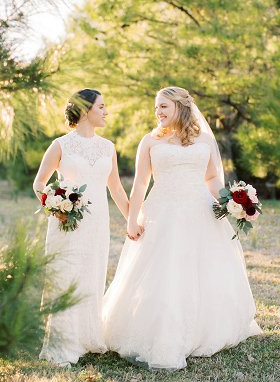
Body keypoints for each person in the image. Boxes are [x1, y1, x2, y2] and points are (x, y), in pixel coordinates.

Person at [102, 86, 261, 370]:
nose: (158, 112)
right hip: (162, 211)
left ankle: (203, 327)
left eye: (163, 106)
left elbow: (212, 176)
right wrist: (131, 219)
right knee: (164, 269)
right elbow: (140, 183)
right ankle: (161, 329)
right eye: (156, 108)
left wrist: (228, 202)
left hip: (200, 210)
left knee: (203, 268)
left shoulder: (204, 140)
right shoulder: (150, 141)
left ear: (181, 106)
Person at [30, 88, 130, 365]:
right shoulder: (60, 145)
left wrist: (134, 220)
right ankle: (64, 342)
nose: (106, 112)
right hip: (66, 222)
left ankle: (88, 337)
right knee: (66, 275)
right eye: (101, 107)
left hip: (97, 222)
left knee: (92, 274)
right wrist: (55, 204)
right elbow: (40, 183)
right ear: (85, 111)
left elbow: (117, 190)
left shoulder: (108, 147)